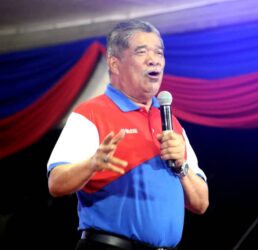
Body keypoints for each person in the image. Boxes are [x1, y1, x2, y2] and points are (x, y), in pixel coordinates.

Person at [47, 19, 209, 250]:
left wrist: (181, 166)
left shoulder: (171, 124)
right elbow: (57, 183)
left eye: (159, 53)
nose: (154, 59)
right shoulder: (91, 113)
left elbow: (201, 203)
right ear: (115, 63)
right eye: (141, 52)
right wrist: (93, 164)